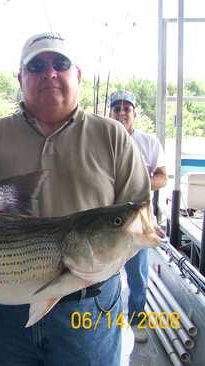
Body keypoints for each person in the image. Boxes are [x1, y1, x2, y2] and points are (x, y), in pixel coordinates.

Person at [0, 32, 151, 366]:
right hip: (1, 311)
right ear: (20, 78)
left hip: (89, 309)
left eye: (60, 64)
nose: (49, 73)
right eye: (36, 65)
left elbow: (138, 220)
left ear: (77, 75)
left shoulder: (113, 137)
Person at [109, 90, 167, 343]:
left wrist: (137, 183)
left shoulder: (150, 143)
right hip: (107, 223)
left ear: (135, 113)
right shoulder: (102, 139)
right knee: (104, 273)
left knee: (138, 276)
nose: (121, 113)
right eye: (117, 108)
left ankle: (136, 320)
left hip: (139, 224)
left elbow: (163, 177)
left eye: (126, 108)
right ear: (110, 112)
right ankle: (105, 323)